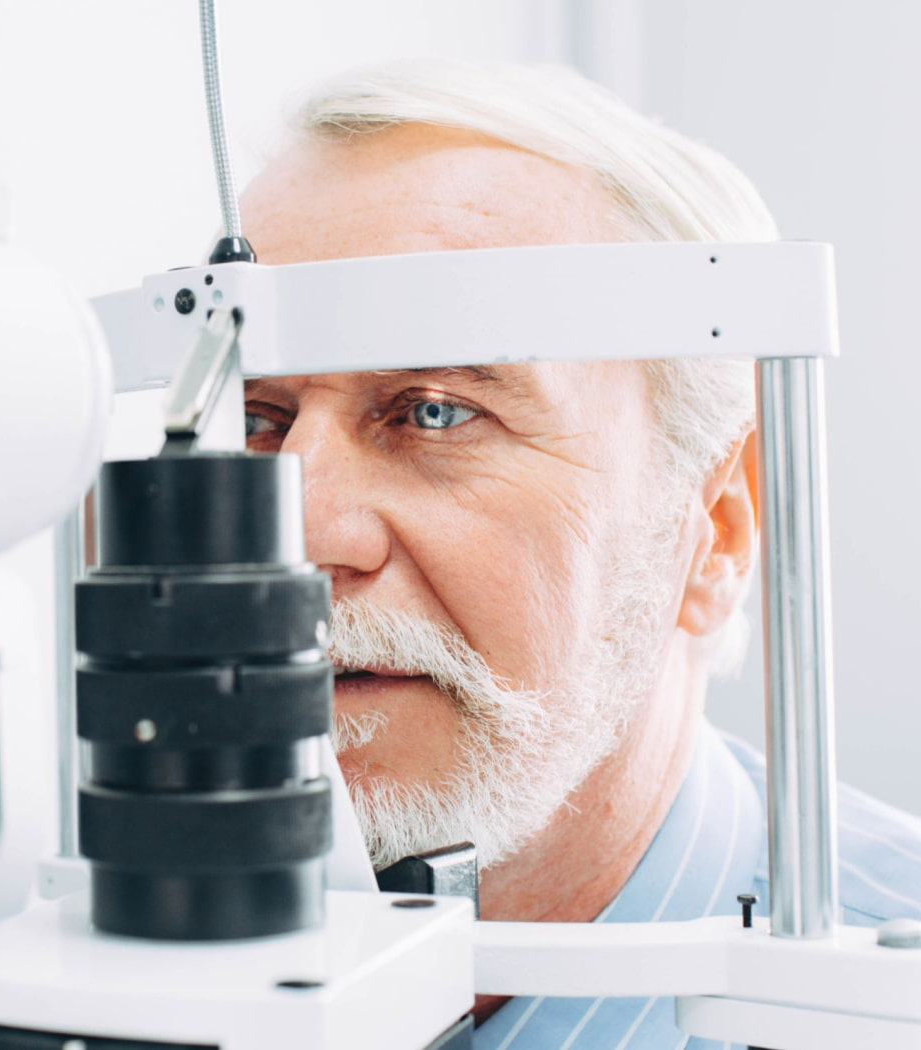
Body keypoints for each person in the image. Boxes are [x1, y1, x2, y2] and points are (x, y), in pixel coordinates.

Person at [236, 59, 921, 1048]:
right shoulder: (73, 973)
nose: (294, 536)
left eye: (434, 412)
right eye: (259, 421)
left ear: (715, 526)